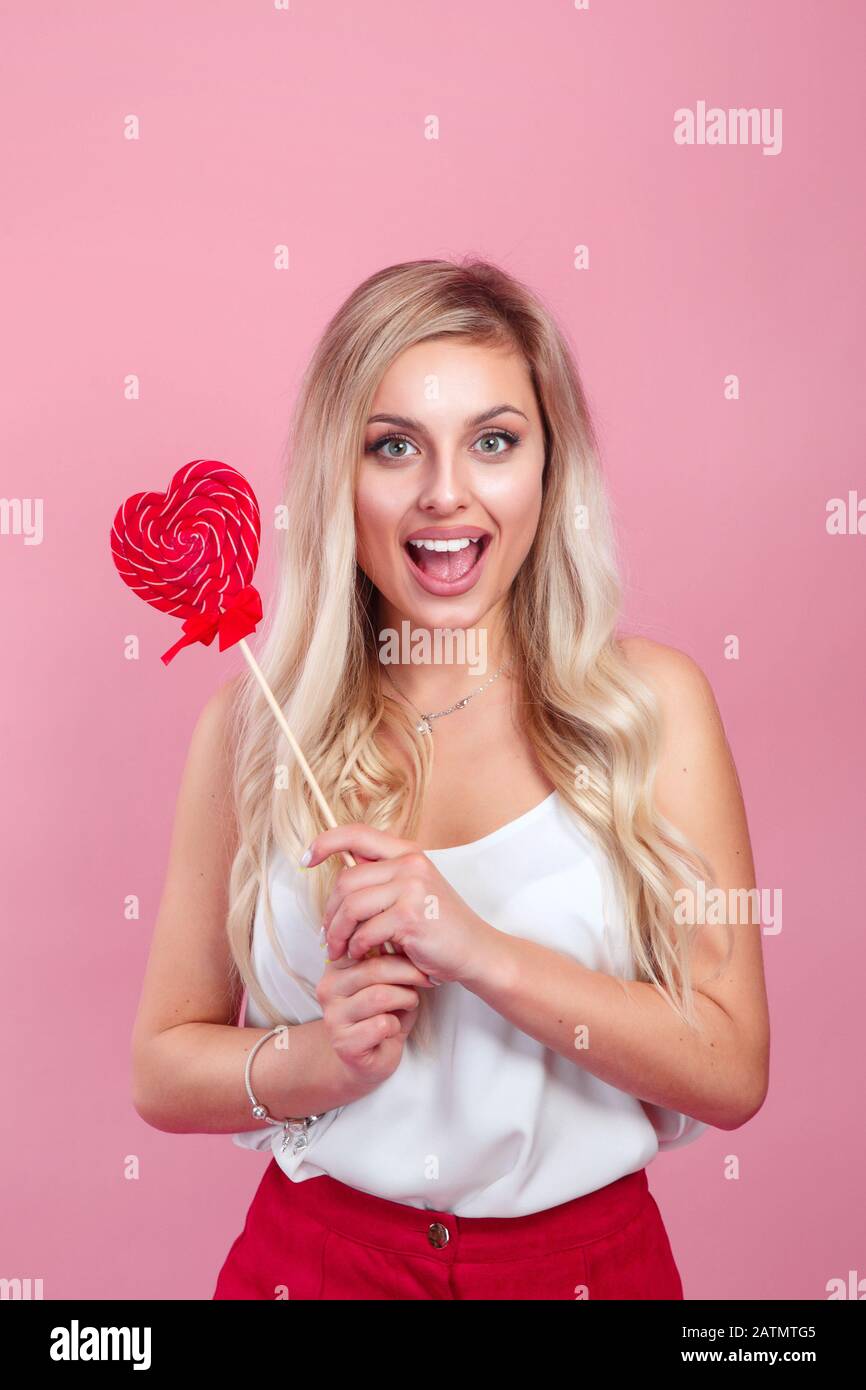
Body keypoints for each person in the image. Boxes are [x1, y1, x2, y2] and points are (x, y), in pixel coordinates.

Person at [131, 258, 770, 1300]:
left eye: (492, 441)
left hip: (582, 1274)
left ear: (548, 464)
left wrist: (476, 949)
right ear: (340, 472)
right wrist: (313, 1063)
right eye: (393, 446)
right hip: (315, 1267)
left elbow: (732, 1068)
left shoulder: (652, 706)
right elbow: (162, 1065)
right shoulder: (253, 729)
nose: (444, 492)